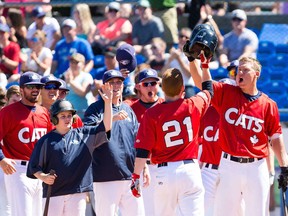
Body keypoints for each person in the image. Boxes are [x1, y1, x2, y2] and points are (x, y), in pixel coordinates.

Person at [185, 40, 288, 215]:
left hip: (256, 166)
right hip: (228, 164)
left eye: (245, 70)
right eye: (238, 69)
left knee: (257, 213)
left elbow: (276, 138)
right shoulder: (227, 92)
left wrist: (284, 167)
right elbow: (203, 84)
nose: (240, 72)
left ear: (256, 74)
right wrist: (200, 63)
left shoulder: (268, 104)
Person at [131, 67, 212, 215]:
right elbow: (209, 89)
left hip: (164, 172)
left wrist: (136, 176)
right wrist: (204, 66)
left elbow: (142, 150)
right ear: (182, 88)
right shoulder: (193, 104)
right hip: (190, 170)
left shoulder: (152, 113)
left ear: (162, 87)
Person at [27, 83, 112, 216]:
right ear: (54, 119)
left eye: (69, 115)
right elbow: (33, 167)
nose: (67, 119)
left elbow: (106, 127)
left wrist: (108, 103)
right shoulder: (46, 140)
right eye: (63, 116)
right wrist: (43, 177)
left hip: (77, 193)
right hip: (53, 193)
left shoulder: (84, 134)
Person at [83, 70, 145, 216]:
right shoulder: (94, 109)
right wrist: (112, 118)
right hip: (105, 177)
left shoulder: (128, 109)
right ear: (104, 86)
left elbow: (137, 141)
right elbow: (89, 136)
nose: (116, 86)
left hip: (130, 175)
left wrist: (144, 167)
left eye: (119, 82)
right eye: (111, 83)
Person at [0, 71, 52, 216]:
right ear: (21, 90)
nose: (35, 89)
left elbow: (51, 141)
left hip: (40, 170)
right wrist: (1, 158)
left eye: (38, 86)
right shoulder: (8, 112)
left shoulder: (44, 112)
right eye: (31, 87)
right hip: (18, 170)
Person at [130, 68, 164, 215]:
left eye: (153, 83)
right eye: (146, 84)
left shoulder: (165, 105)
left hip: (164, 166)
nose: (150, 87)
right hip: (142, 167)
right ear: (138, 86)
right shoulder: (131, 109)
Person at [162, 27, 195, 98]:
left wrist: (178, 58)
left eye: (186, 37)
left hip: (187, 87)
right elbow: (163, 74)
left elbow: (189, 74)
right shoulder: (171, 54)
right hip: (172, 88)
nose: (183, 39)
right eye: (181, 36)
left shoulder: (193, 55)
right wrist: (170, 59)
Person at [63, 53, 94, 119]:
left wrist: (71, 81)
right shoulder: (65, 75)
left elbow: (83, 92)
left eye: (76, 62)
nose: (73, 64)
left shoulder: (86, 76)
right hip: (70, 115)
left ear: (83, 64)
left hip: (83, 115)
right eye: (72, 62)